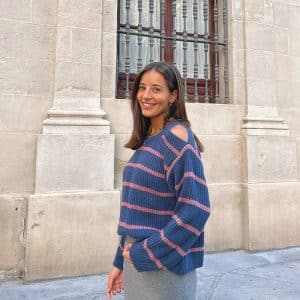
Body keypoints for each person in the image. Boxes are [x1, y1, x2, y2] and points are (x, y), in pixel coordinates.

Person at [106, 62, 210, 300]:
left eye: (156, 89)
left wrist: (147, 253)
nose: (146, 95)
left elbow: (196, 210)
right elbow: (135, 213)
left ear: (173, 96)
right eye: (142, 88)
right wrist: (119, 262)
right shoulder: (148, 141)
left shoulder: (176, 137)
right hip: (137, 262)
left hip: (164, 268)